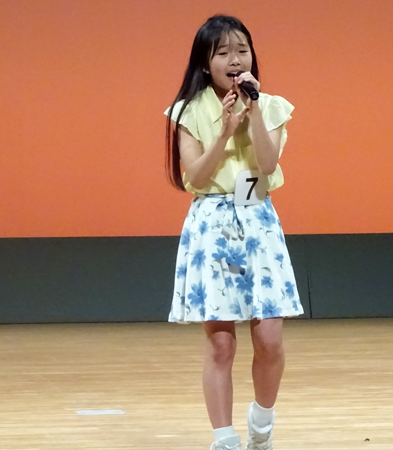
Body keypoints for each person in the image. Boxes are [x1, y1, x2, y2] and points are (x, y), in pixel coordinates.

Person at [164, 15, 304, 450]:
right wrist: (224, 131)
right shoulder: (188, 111)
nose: (235, 60)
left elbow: (267, 164)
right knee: (221, 345)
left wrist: (254, 111)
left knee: (270, 340)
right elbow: (196, 177)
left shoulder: (273, 106)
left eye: (241, 50)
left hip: (258, 220)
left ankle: (261, 421)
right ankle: (224, 439)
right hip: (212, 225)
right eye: (223, 52)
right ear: (205, 63)